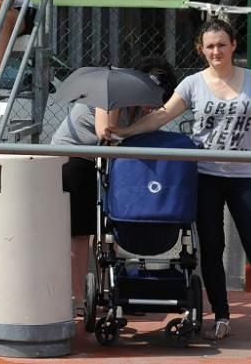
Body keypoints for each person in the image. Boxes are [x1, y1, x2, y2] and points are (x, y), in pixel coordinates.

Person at [107, 19, 251, 343]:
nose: (216, 51)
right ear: (201, 49)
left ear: (234, 45)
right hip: (206, 177)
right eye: (209, 46)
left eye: (222, 44)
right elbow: (162, 115)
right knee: (212, 248)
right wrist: (124, 132)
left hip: (245, 177)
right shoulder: (193, 83)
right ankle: (221, 316)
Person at [50, 57, 177, 315]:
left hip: (107, 161)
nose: (153, 104)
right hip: (75, 157)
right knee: (81, 230)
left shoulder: (145, 108)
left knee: (113, 225)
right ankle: (78, 298)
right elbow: (103, 133)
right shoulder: (111, 91)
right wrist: (126, 133)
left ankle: (117, 290)